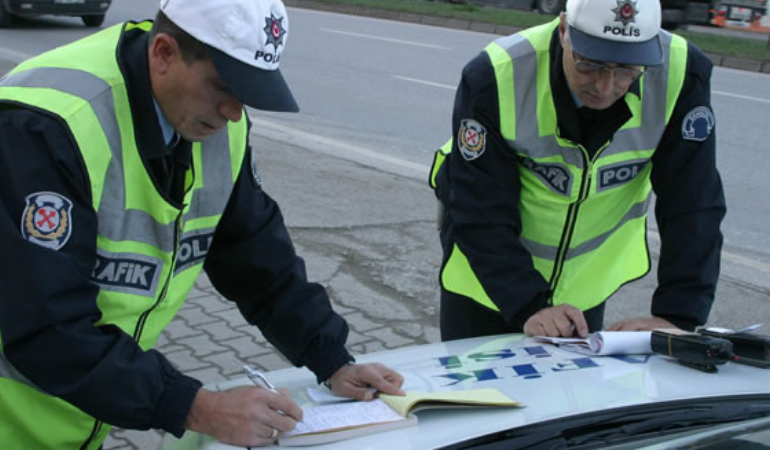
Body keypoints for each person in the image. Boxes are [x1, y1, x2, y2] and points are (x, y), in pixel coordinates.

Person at [0, 0, 404, 448]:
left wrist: (331, 358)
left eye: (248, 92)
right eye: (223, 86)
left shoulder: (211, 123)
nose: (233, 111)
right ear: (164, 54)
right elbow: (46, 325)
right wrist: (197, 407)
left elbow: (255, 256)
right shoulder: (47, 127)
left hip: (75, 416)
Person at [429, 0, 725, 341]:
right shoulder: (497, 75)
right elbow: (478, 203)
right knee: (476, 392)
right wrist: (529, 305)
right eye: (590, 64)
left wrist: (678, 316)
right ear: (564, 30)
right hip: (486, 283)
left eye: (628, 69)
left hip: (582, 290)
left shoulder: (681, 73)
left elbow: (693, 200)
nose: (605, 87)